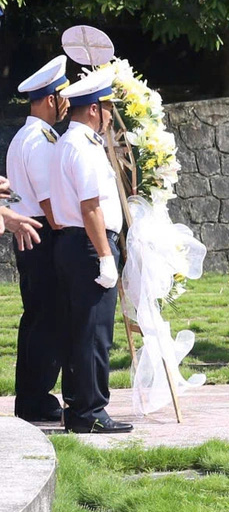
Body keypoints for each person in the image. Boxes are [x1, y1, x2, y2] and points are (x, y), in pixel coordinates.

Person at [49, 66, 131, 432]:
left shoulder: (70, 142)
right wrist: (104, 256)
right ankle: (91, 412)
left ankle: (79, 410)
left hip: (73, 243)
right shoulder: (81, 145)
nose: (111, 117)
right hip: (87, 244)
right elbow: (91, 207)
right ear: (94, 109)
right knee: (94, 333)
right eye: (109, 109)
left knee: (78, 330)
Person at [8, 57, 67, 425]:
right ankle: (37, 398)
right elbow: (50, 200)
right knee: (49, 319)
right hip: (42, 232)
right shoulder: (42, 140)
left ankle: (28, 397)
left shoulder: (23, 135)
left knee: (35, 319)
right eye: (63, 97)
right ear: (50, 99)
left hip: (27, 231)